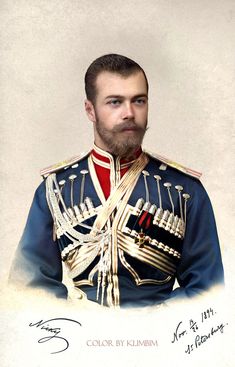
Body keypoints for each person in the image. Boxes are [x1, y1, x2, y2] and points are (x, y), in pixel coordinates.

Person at [10, 54, 224, 308]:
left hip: (160, 341)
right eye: (115, 102)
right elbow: (29, 288)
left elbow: (208, 292)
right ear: (90, 110)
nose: (130, 113)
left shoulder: (184, 191)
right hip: (80, 342)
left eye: (139, 101)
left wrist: (152, 324)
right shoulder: (55, 189)